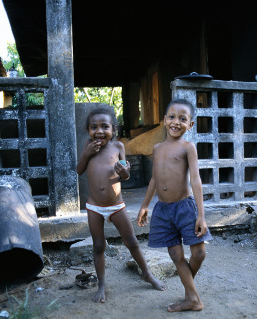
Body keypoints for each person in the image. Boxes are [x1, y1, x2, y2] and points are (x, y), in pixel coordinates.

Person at [76, 107, 166, 303]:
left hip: (116, 206)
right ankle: (102, 285)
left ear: (114, 129)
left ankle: (147, 273)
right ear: (88, 130)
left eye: (104, 126)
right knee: (98, 246)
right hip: (94, 207)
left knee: (132, 241)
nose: (99, 131)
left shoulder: (118, 147)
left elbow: (125, 174)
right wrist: (87, 153)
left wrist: (123, 171)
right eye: (94, 127)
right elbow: (79, 170)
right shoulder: (87, 145)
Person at [137, 98, 213, 312]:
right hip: (163, 210)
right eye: (171, 117)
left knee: (199, 253)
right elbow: (154, 179)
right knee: (177, 256)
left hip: (184, 208)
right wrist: (144, 206)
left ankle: (190, 293)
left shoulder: (188, 147)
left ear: (191, 125)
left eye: (182, 118)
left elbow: (195, 180)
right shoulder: (158, 148)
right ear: (164, 120)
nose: (175, 122)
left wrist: (201, 215)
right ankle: (193, 298)